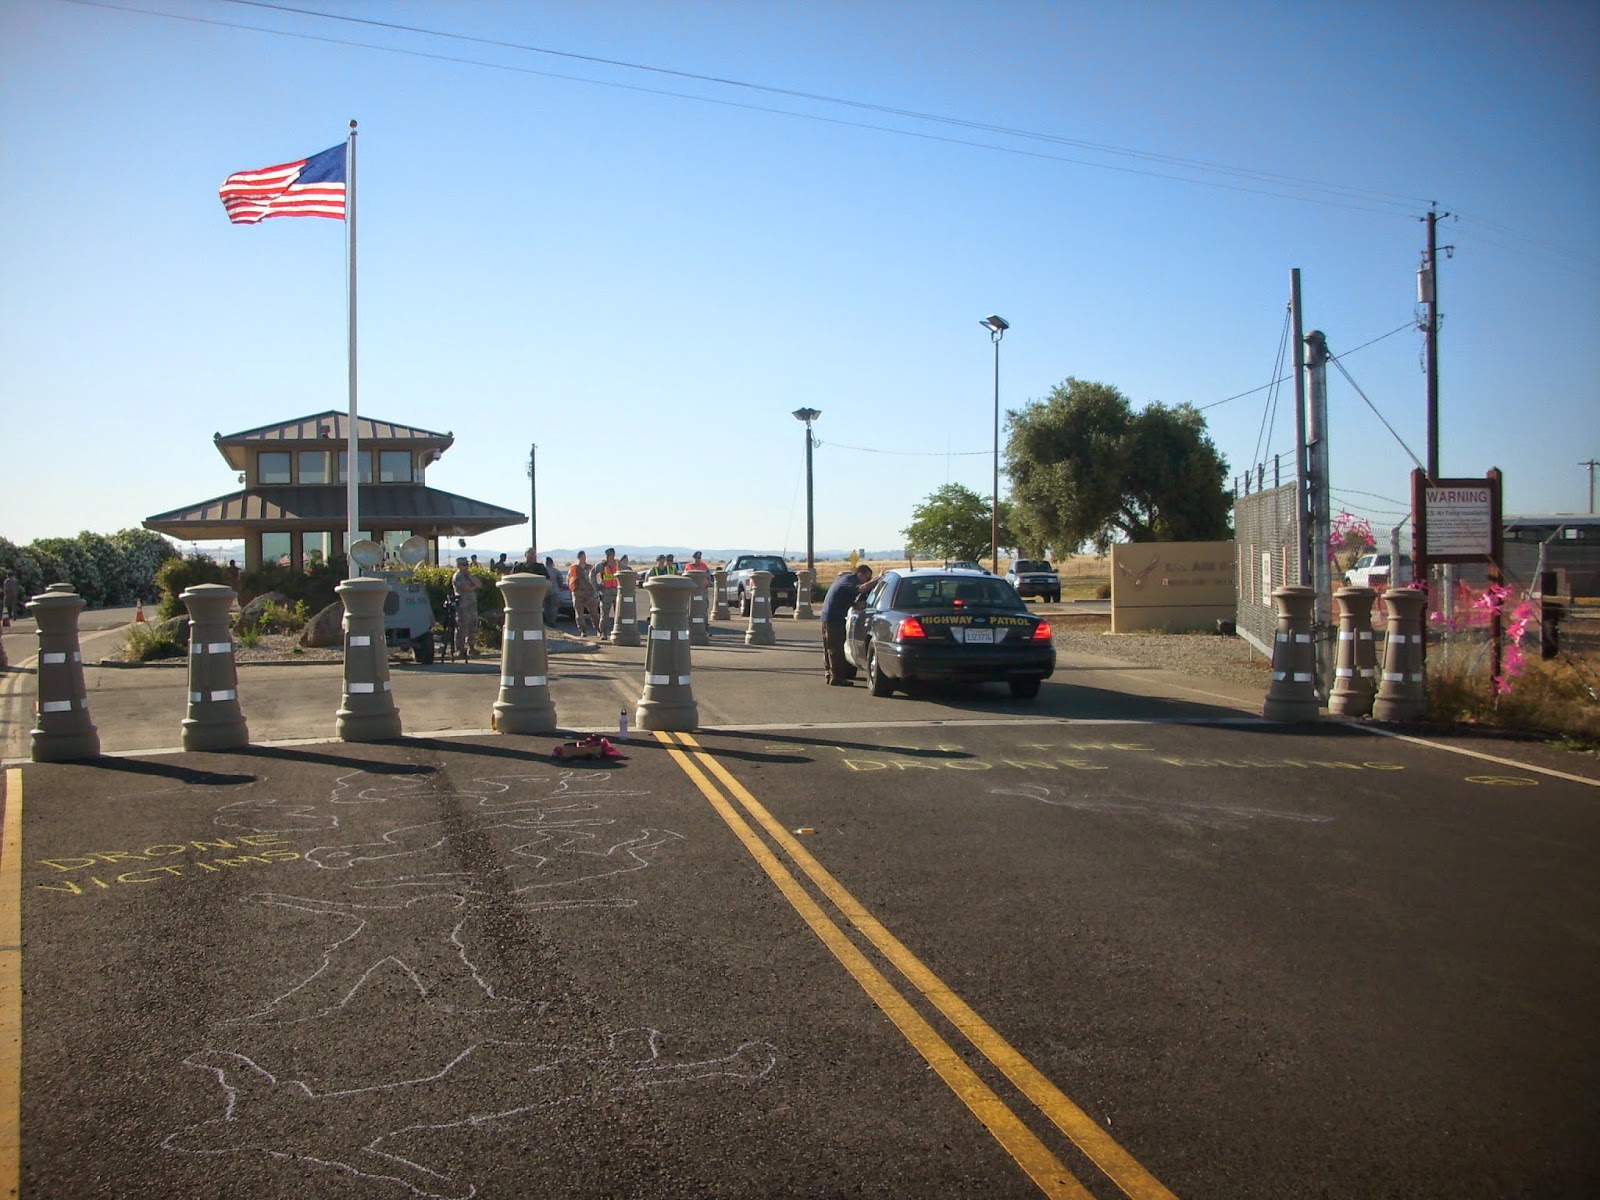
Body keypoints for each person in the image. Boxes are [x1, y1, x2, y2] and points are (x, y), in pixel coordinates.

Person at [821, 564, 873, 685]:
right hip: (834, 618)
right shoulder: (849, 581)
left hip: (827, 616)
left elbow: (843, 596)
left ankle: (830, 673)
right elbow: (861, 588)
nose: (868, 580)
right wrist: (878, 579)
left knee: (829, 647)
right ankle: (837, 677)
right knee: (836, 648)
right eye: (868, 578)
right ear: (860, 574)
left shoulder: (845, 580)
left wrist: (854, 605)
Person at [451, 557, 480, 658]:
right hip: (463, 606)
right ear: (458, 566)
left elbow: (479, 584)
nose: (465, 567)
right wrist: (473, 587)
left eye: (466, 564)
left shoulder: (469, 575)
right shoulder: (457, 576)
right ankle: (460, 649)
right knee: (462, 627)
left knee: (473, 627)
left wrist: (470, 577)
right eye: (463, 565)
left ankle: (471, 648)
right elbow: (465, 587)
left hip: (472, 606)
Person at [569, 551, 601, 637]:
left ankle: (599, 629)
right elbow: (569, 579)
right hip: (578, 592)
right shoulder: (574, 568)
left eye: (584, 557)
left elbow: (595, 578)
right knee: (579, 614)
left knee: (594, 612)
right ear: (578, 558)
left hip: (589, 592)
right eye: (582, 557)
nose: (584, 558)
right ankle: (583, 631)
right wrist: (573, 589)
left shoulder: (590, 568)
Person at [591, 548, 620, 637]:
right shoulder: (601, 565)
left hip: (617, 592)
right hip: (606, 592)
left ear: (614, 555)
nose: (608, 557)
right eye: (607, 555)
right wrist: (597, 587)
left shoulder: (619, 564)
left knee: (618, 613)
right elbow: (593, 576)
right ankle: (603, 632)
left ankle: (618, 632)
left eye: (610, 555)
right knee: (604, 614)